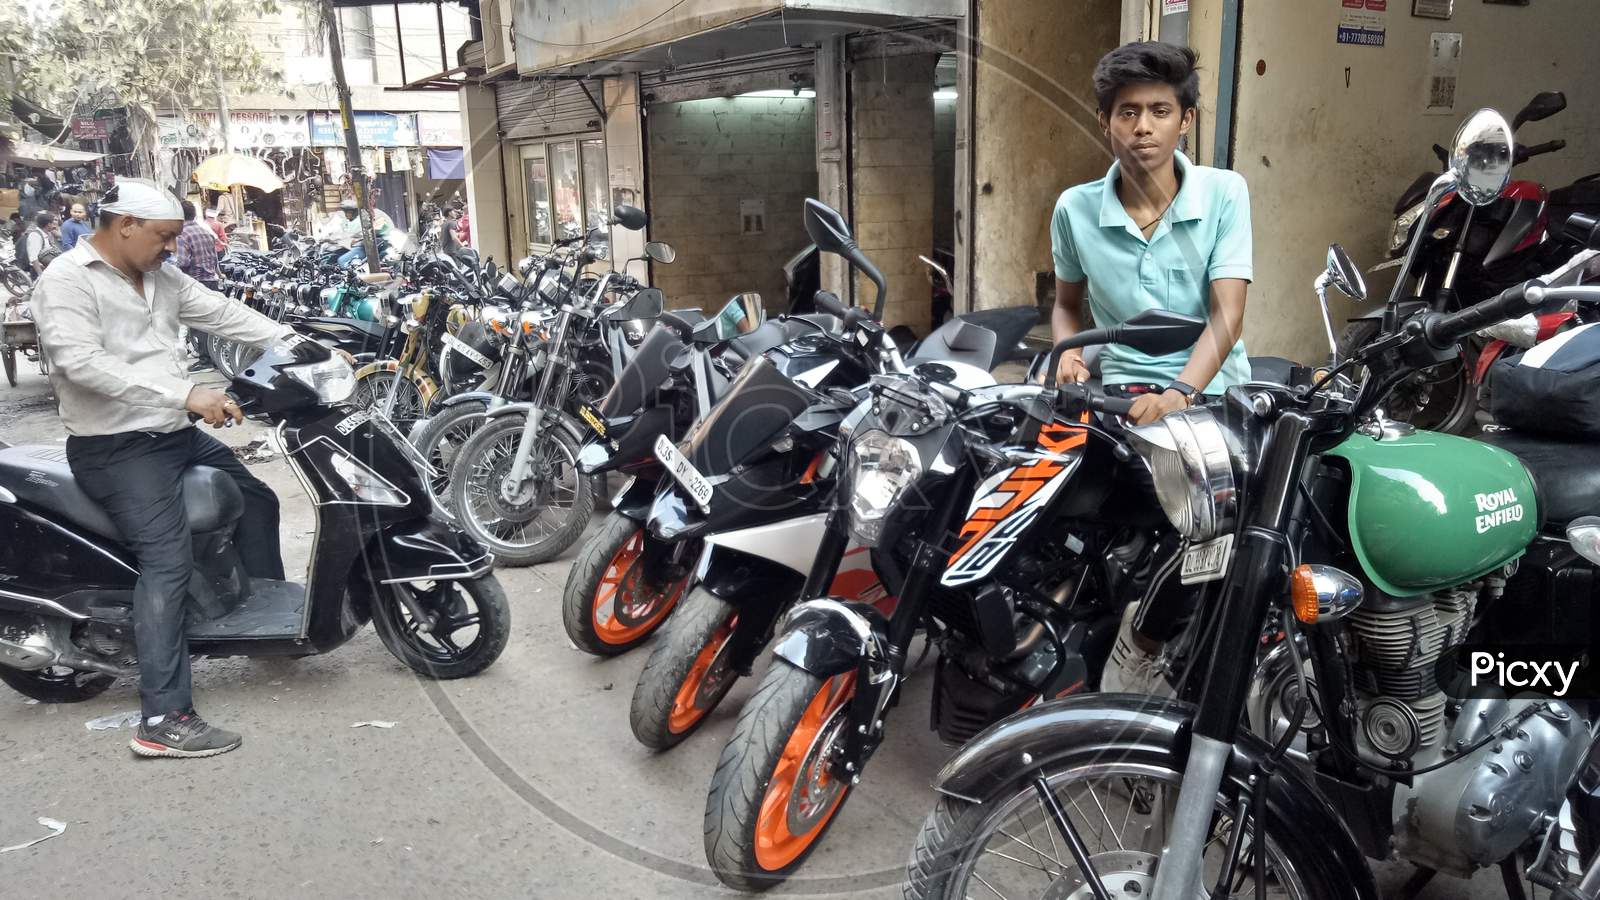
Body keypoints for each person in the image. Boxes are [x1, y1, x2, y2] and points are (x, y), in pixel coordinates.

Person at [31, 180, 290, 759]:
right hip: (116, 447)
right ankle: (161, 718)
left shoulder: (161, 276)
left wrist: (296, 342)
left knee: (257, 499)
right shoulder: (67, 280)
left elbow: (220, 313)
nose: (172, 249)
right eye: (164, 237)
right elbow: (80, 363)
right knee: (167, 563)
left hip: (176, 436)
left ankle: (256, 624)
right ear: (124, 225)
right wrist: (184, 393)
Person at [1048, 42, 1253, 694]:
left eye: (1159, 111)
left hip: (1210, 391)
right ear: (1105, 121)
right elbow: (1064, 307)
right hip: (1116, 393)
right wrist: (1071, 353)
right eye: (1127, 112)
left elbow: (1226, 316)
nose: (1143, 127)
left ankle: (1151, 655)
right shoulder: (1075, 209)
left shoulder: (1224, 193)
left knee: (1207, 537)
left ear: (1184, 119)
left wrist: (1180, 392)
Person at [23, 211, 60, 276]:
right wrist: (40, 274)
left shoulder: (48, 234)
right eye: (53, 222)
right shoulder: (35, 236)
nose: (55, 224)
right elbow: (33, 258)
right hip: (39, 271)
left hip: (49, 270)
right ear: (48, 224)